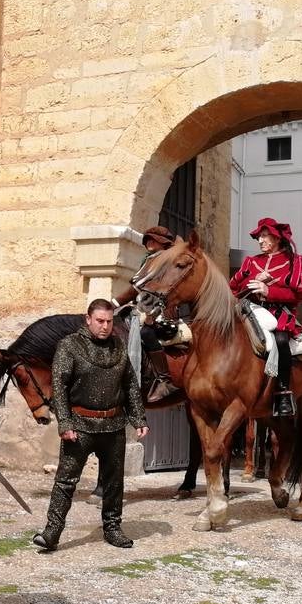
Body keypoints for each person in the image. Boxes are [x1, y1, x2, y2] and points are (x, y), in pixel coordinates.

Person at [33, 299, 148, 552]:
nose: (105, 326)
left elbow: (129, 384)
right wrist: (64, 423)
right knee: (66, 481)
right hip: (80, 427)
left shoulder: (118, 346)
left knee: (114, 482)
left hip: (113, 426)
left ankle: (113, 528)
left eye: (109, 321)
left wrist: (138, 418)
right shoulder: (69, 346)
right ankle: (52, 532)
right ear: (88, 319)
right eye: (100, 321)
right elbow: (59, 388)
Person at [228, 218, 302, 417]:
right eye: (259, 237)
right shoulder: (251, 262)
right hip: (250, 310)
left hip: (280, 313)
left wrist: (269, 290)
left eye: (264, 236)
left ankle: (283, 391)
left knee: (281, 340)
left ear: (276, 238)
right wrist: (251, 282)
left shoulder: (296, 261)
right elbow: (233, 287)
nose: (260, 240)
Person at [112, 225, 180, 402]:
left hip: (162, 312)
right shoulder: (149, 259)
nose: (149, 242)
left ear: (163, 243)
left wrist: (114, 303)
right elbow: (138, 289)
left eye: (154, 239)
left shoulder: (166, 262)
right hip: (143, 308)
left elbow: (166, 292)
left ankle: (165, 380)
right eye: (147, 239)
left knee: (145, 333)